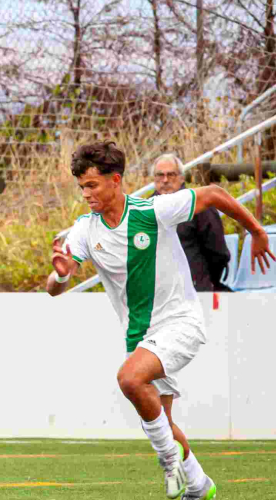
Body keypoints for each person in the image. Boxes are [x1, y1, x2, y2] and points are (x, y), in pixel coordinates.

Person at [49, 141, 273, 500]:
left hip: (180, 322)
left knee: (129, 378)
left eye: (92, 185)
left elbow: (214, 193)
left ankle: (169, 462)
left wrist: (257, 231)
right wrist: (60, 276)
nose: (86, 194)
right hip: (139, 336)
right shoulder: (84, 230)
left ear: (115, 180)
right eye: (82, 188)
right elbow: (55, 288)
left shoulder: (153, 211)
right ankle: (200, 486)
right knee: (162, 421)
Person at [152, 153, 232, 292]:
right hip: (157, 291)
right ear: (154, 179)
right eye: (160, 175)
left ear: (182, 177)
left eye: (171, 174)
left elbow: (217, 252)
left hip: (195, 288)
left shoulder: (200, 206)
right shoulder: (144, 209)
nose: (165, 180)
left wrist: (205, 279)